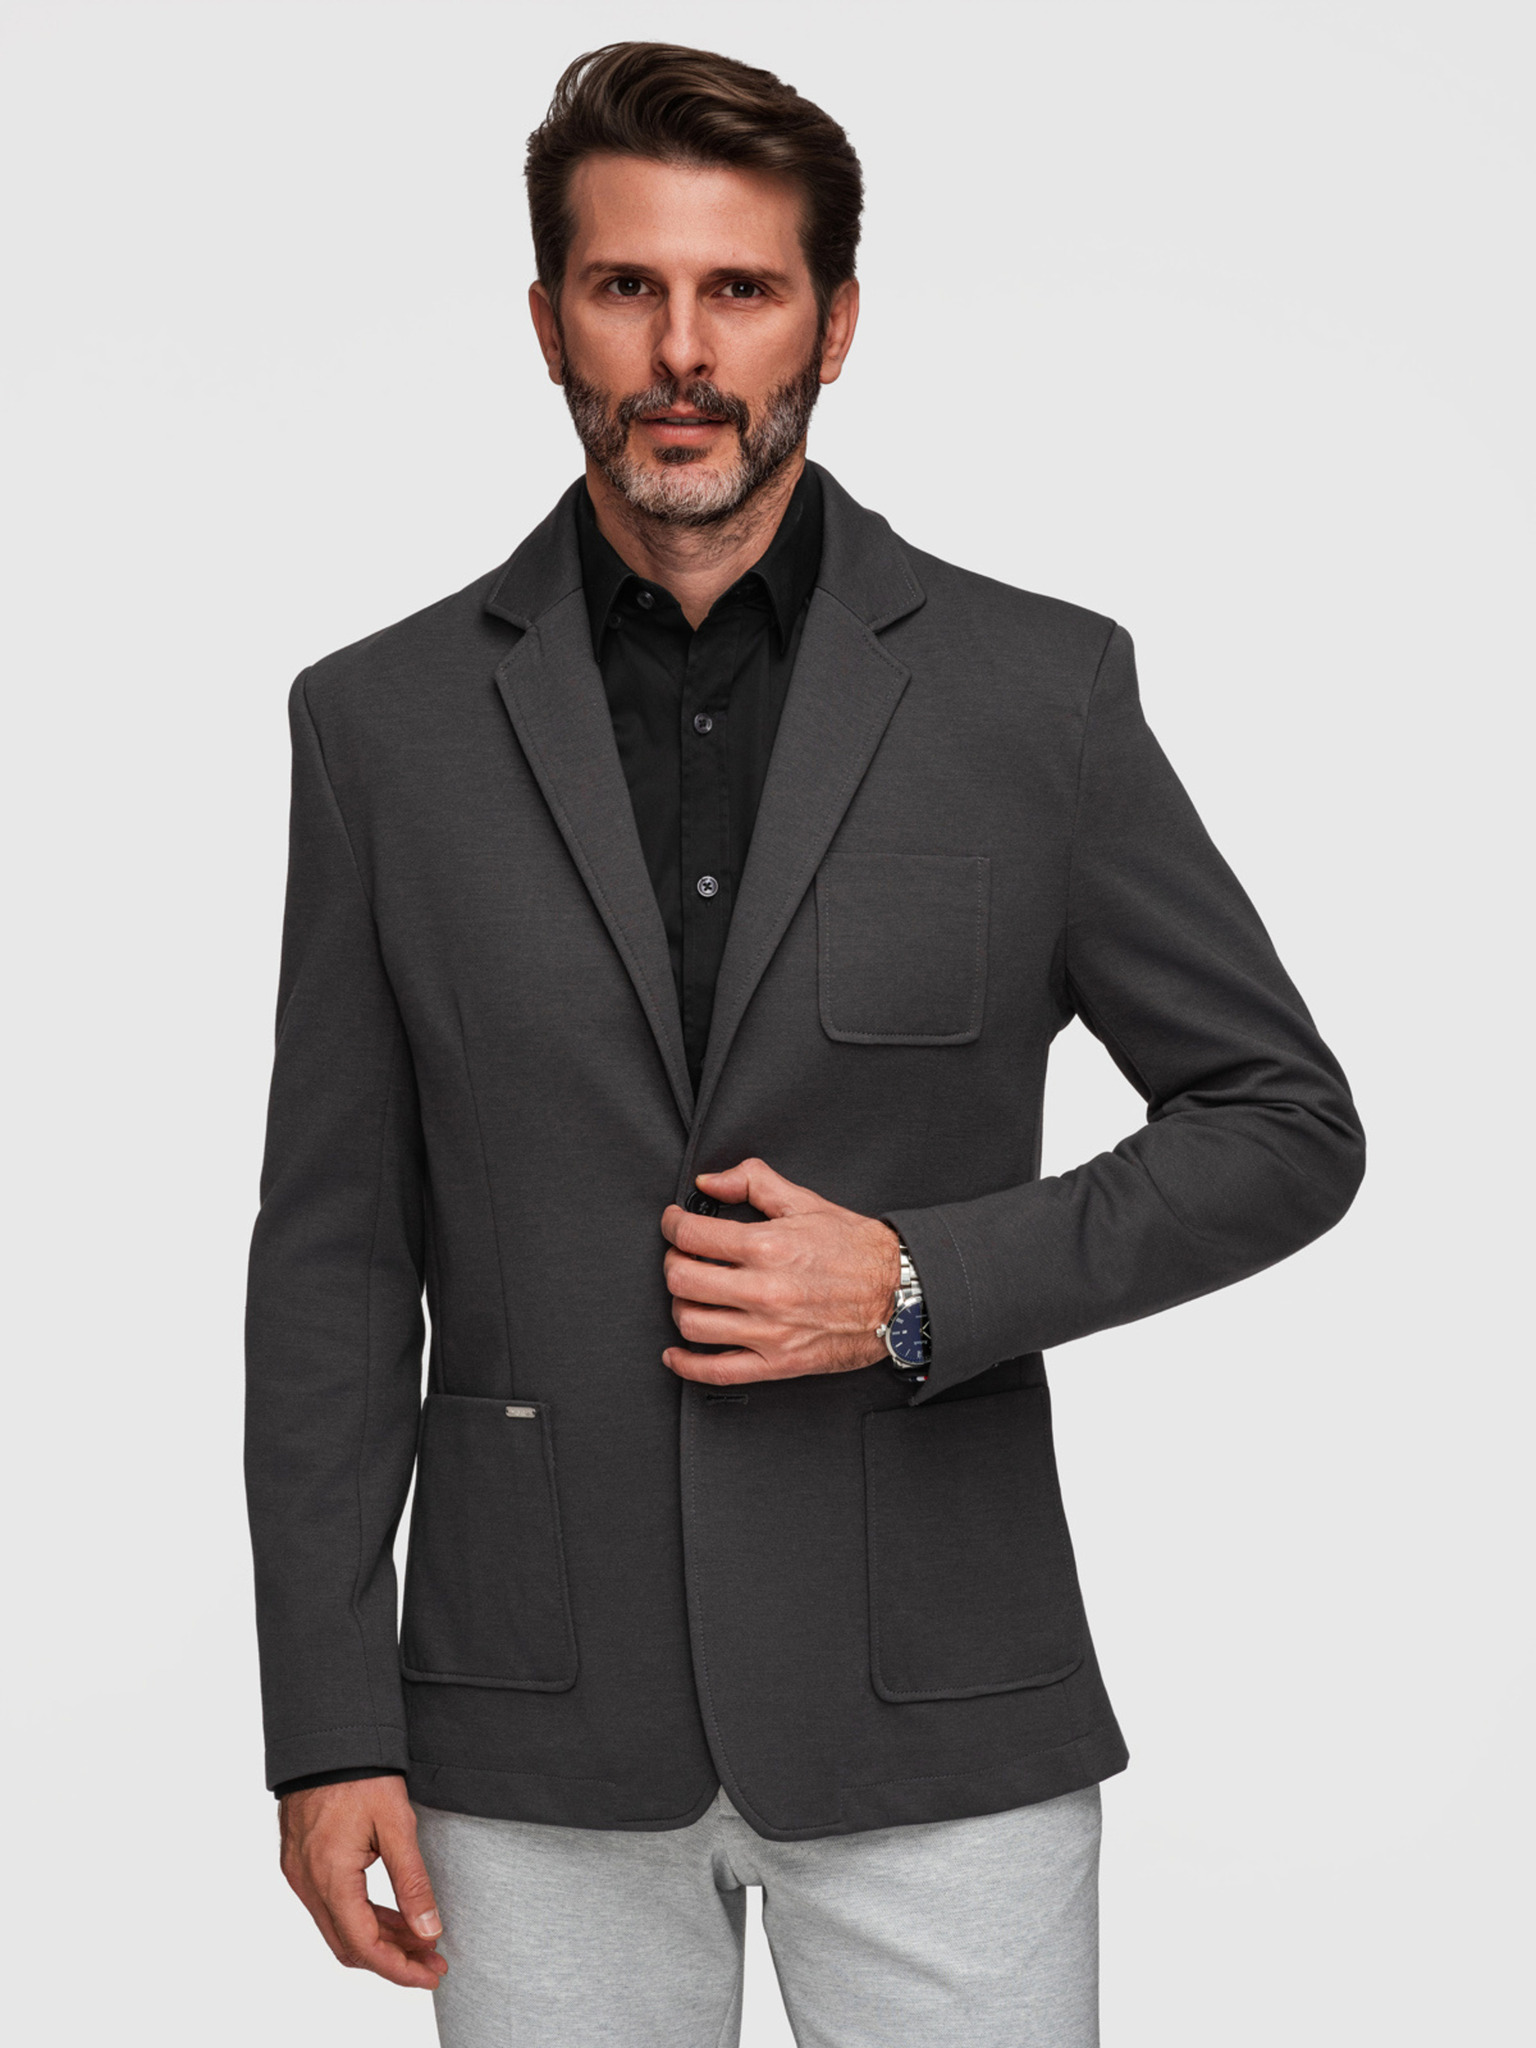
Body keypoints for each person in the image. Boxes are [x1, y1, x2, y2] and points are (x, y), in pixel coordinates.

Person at [245, 40, 1364, 2047]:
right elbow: (333, 1252)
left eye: (742, 290)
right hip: (530, 1722)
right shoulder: (381, 727)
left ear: (833, 325)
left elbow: (1282, 1121)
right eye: (627, 286)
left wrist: (921, 1281)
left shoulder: (1035, 693)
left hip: (940, 1700)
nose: (683, 351)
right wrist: (327, 1726)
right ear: (548, 322)